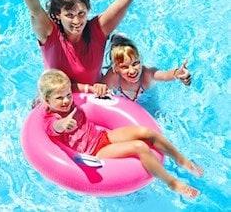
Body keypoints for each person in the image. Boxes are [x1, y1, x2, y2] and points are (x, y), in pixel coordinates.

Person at [7, 0, 159, 94]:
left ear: (88, 10)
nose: (77, 21)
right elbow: (35, 10)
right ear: (58, 15)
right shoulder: (50, 35)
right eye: (69, 15)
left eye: (81, 13)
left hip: (96, 94)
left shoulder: (97, 30)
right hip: (60, 99)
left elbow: (123, 1)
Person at [38, 68, 203, 198]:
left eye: (67, 95)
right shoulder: (49, 119)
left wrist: (95, 87)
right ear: (46, 100)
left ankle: (182, 160)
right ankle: (172, 183)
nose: (66, 100)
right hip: (95, 152)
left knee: (146, 132)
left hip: (101, 136)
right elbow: (54, 127)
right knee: (139, 147)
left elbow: (78, 89)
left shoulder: (71, 100)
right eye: (59, 98)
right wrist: (63, 124)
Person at [102, 35, 191, 101]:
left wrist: (177, 73)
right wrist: (99, 88)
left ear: (140, 61)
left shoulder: (147, 74)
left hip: (147, 99)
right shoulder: (113, 76)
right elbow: (100, 89)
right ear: (116, 68)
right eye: (125, 67)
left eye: (135, 63)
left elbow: (164, 75)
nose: (132, 71)